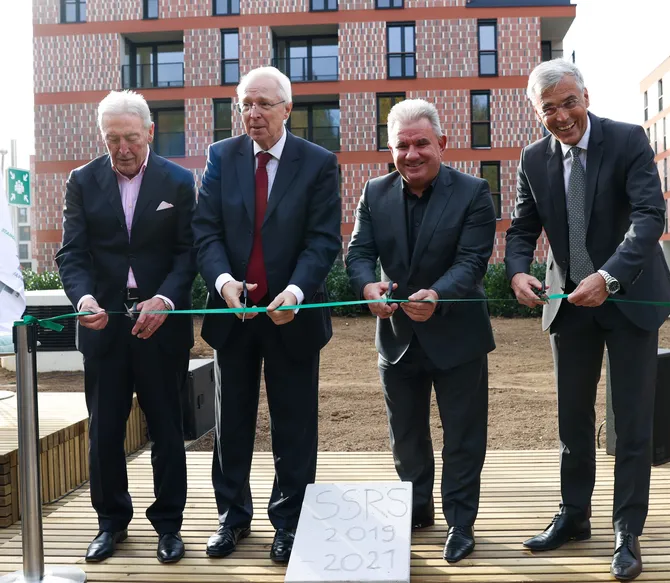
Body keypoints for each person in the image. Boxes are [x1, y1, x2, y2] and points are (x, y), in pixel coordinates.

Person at [504, 59, 670, 581]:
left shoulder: (626, 140)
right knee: (572, 422)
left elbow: (650, 217)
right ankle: (575, 516)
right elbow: (520, 229)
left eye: (568, 102)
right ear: (537, 113)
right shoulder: (533, 157)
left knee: (630, 423)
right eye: (548, 108)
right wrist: (517, 273)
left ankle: (627, 529)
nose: (561, 116)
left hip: (628, 300)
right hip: (568, 307)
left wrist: (609, 276)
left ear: (586, 95)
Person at [193, 66, 341, 563]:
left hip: (292, 317)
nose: (252, 114)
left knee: (293, 426)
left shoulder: (319, 162)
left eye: (263, 104)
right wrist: (223, 283)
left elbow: (323, 240)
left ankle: (291, 523)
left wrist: (297, 292)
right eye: (245, 104)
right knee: (230, 424)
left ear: (287, 109)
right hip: (233, 315)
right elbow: (206, 232)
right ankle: (231, 519)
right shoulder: (221, 156)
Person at [345, 98, 496, 563]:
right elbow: (357, 254)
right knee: (405, 437)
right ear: (391, 149)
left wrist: (438, 295)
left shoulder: (474, 191)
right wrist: (368, 285)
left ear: (442, 144)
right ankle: (416, 509)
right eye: (402, 145)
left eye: (421, 144)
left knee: (462, 436)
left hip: (457, 335)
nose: (412, 154)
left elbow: (472, 262)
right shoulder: (374, 191)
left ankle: (461, 523)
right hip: (396, 341)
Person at [55, 90, 196, 564]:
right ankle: (111, 523)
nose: (123, 148)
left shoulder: (178, 181)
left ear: (150, 133)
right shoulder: (82, 180)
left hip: (162, 324)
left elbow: (187, 253)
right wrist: (84, 298)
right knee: (104, 431)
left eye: (131, 137)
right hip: (103, 324)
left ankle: (169, 525)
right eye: (112, 138)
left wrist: (167, 298)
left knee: (167, 428)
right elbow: (71, 254)